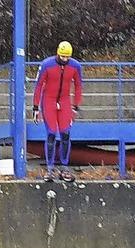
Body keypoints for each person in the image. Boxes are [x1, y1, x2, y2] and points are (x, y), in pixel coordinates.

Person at [32, 40, 83, 182]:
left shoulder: (75, 66)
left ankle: (65, 167)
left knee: (65, 134)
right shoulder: (47, 64)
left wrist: (76, 106)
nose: (65, 60)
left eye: (67, 57)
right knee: (51, 134)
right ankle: (50, 168)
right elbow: (38, 86)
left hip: (64, 100)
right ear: (58, 54)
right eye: (62, 57)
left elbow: (78, 86)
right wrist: (36, 107)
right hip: (48, 100)